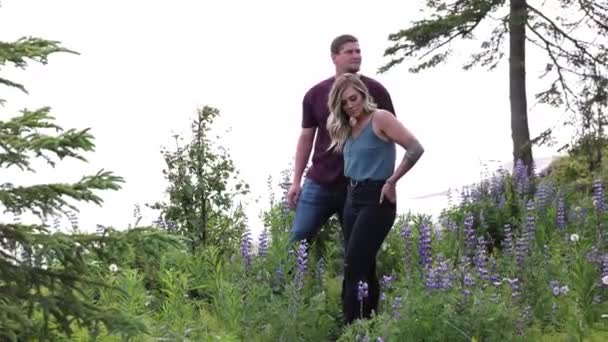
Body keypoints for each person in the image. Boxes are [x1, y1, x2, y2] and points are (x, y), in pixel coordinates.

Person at [326, 73, 424, 324]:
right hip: (352, 199)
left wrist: (392, 181)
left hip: (377, 198)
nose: (351, 105)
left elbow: (415, 148)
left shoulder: (380, 118)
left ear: (362, 93)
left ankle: (349, 329)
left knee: (353, 265)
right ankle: (368, 324)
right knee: (365, 266)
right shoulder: (347, 126)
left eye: (353, 98)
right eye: (344, 103)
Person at [287, 34, 396, 248]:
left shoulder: (376, 91)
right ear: (334, 57)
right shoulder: (315, 94)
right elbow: (306, 139)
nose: (356, 55)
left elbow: (391, 137)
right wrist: (296, 180)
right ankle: (285, 283)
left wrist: (389, 181)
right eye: (349, 51)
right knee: (298, 240)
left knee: (359, 250)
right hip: (320, 181)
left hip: (360, 186)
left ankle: (361, 283)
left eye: (358, 51)